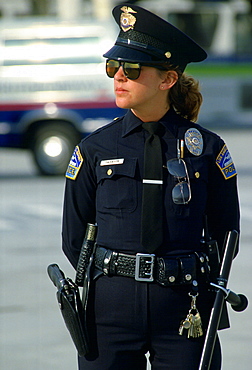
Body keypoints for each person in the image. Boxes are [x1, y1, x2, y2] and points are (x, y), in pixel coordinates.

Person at [62, 4, 240, 369]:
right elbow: (73, 236)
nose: (118, 77)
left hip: (183, 311)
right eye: (113, 67)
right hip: (110, 312)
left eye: (131, 69)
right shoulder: (94, 149)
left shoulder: (206, 149)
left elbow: (227, 233)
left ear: (167, 79)